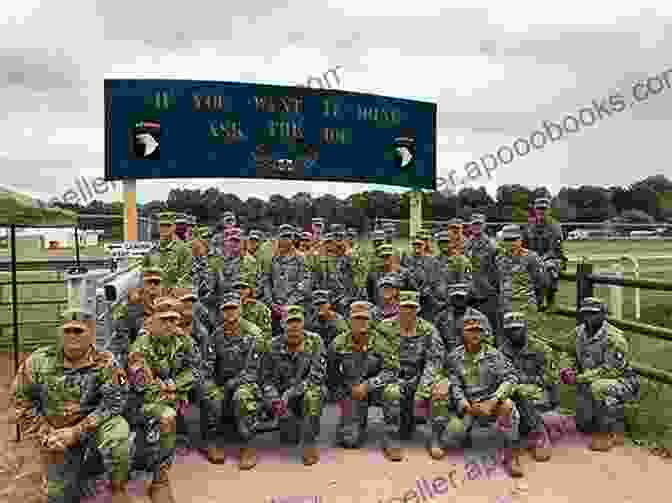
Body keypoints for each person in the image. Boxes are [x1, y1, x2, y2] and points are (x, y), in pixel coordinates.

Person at [10, 308, 131, 503]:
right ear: (60, 332)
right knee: (59, 495)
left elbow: (115, 400)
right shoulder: (38, 362)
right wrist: (46, 433)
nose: (72, 336)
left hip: (91, 428)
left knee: (118, 434)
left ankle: (117, 487)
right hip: (55, 435)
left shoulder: (106, 361)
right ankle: (77, 472)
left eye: (79, 331)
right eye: (67, 331)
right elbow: (20, 401)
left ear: (91, 332)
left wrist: (76, 431)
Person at [126, 305, 200, 501]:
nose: (169, 324)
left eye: (173, 320)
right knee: (166, 417)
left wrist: (175, 384)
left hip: (170, 395)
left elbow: (198, 370)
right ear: (153, 321)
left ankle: (160, 474)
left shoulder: (184, 340)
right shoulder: (140, 345)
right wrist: (170, 394)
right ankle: (159, 479)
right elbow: (142, 386)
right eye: (163, 319)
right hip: (140, 402)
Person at [441, 315, 523, 477]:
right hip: (468, 405)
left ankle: (511, 455)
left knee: (507, 406)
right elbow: (454, 384)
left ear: (484, 333)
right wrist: (465, 405)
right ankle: (466, 434)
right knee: (452, 435)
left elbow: (511, 378)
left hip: (490, 404)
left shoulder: (495, 356)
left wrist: (493, 401)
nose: (475, 335)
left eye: (479, 331)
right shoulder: (454, 357)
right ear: (463, 333)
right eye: (470, 331)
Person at [559, 297, 640, 451]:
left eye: (594, 313)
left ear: (603, 315)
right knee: (583, 425)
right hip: (589, 381)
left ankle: (611, 431)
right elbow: (567, 353)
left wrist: (579, 378)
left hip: (622, 382)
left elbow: (611, 370)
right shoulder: (578, 333)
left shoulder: (614, 338)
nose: (589, 317)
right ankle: (598, 418)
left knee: (598, 387)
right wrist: (566, 369)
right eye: (586, 313)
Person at [197, 291, 264, 468]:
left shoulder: (254, 334)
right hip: (223, 383)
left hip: (246, 383)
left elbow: (253, 371)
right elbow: (207, 365)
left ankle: (248, 446)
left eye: (233, 308)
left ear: (240, 309)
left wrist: (231, 385)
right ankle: (211, 441)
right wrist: (208, 384)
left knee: (242, 396)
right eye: (226, 309)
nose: (230, 313)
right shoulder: (216, 336)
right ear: (221, 312)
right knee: (208, 391)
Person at [330, 301, 403, 461]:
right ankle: (352, 423)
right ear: (349, 321)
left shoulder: (381, 342)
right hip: (352, 390)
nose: (361, 322)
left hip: (375, 390)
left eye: (364, 319)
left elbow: (392, 370)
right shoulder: (338, 343)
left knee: (393, 392)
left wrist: (368, 385)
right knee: (350, 441)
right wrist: (344, 393)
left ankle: (391, 438)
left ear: (370, 321)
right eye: (356, 319)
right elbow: (332, 373)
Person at [377, 291, 446, 458]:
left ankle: (435, 439)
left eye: (412, 307)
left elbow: (435, 361)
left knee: (440, 390)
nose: (408, 311)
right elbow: (380, 356)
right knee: (391, 391)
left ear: (419, 309)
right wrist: (396, 378)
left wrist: (423, 388)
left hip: (420, 377)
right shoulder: (384, 328)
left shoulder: (428, 330)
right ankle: (391, 439)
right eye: (404, 307)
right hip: (393, 377)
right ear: (397, 308)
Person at [261, 305, 327, 465]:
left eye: (298, 321)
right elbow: (265, 380)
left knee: (314, 394)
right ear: (282, 324)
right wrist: (276, 402)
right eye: (290, 322)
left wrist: (291, 393)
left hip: (305, 391)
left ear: (304, 323)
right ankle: (289, 422)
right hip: (282, 401)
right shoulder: (272, 345)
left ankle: (309, 442)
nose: (294, 326)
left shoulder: (315, 341)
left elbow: (317, 376)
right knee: (289, 439)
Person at [499, 312, 558, 473]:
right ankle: (521, 432)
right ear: (505, 331)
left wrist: (525, 380)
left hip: (540, 393)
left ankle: (540, 433)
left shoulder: (540, 348)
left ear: (525, 328)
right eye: (510, 330)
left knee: (521, 391)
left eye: (518, 329)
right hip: (515, 395)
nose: (514, 333)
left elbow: (551, 378)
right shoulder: (501, 352)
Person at [494, 224, 546, 344]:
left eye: (513, 239)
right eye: (507, 240)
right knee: (506, 341)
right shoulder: (499, 259)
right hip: (506, 308)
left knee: (530, 341)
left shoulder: (531, 258)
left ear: (520, 239)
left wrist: (535, 302)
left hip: (526, 308)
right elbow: (499, 282)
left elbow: (541, 282)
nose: (510, 243)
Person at [522, 197, 567, 310]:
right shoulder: (529, 226)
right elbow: (524, 246)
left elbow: (554, 250)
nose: (541, 211)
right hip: (533, 258)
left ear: (549, 210)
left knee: (548, 267)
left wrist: (539, 259)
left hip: (553, 258)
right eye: (539, 209)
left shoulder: (555, 226)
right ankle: (532, 300)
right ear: (535, 210)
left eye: (544, 209)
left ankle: (549, 300)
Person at [434, 282, 493, 353]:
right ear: (451, 298)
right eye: (456, 297)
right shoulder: (441, 318)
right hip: (449, 358)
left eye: (462, 297)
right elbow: (435, 340)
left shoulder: (479, 317)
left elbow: (488, 341)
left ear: (467, 297)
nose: (459, 300)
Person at [465, 213, 500, 331]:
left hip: (487, 292)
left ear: (484, 225)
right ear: (470, 226)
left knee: (490, 324)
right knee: (472, 324)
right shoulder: (467, 244)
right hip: (471, 292)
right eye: (474, 224)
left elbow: (498, 269)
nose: (476, 227)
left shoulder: (492, 246)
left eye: (479, 224)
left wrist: (494, 289)